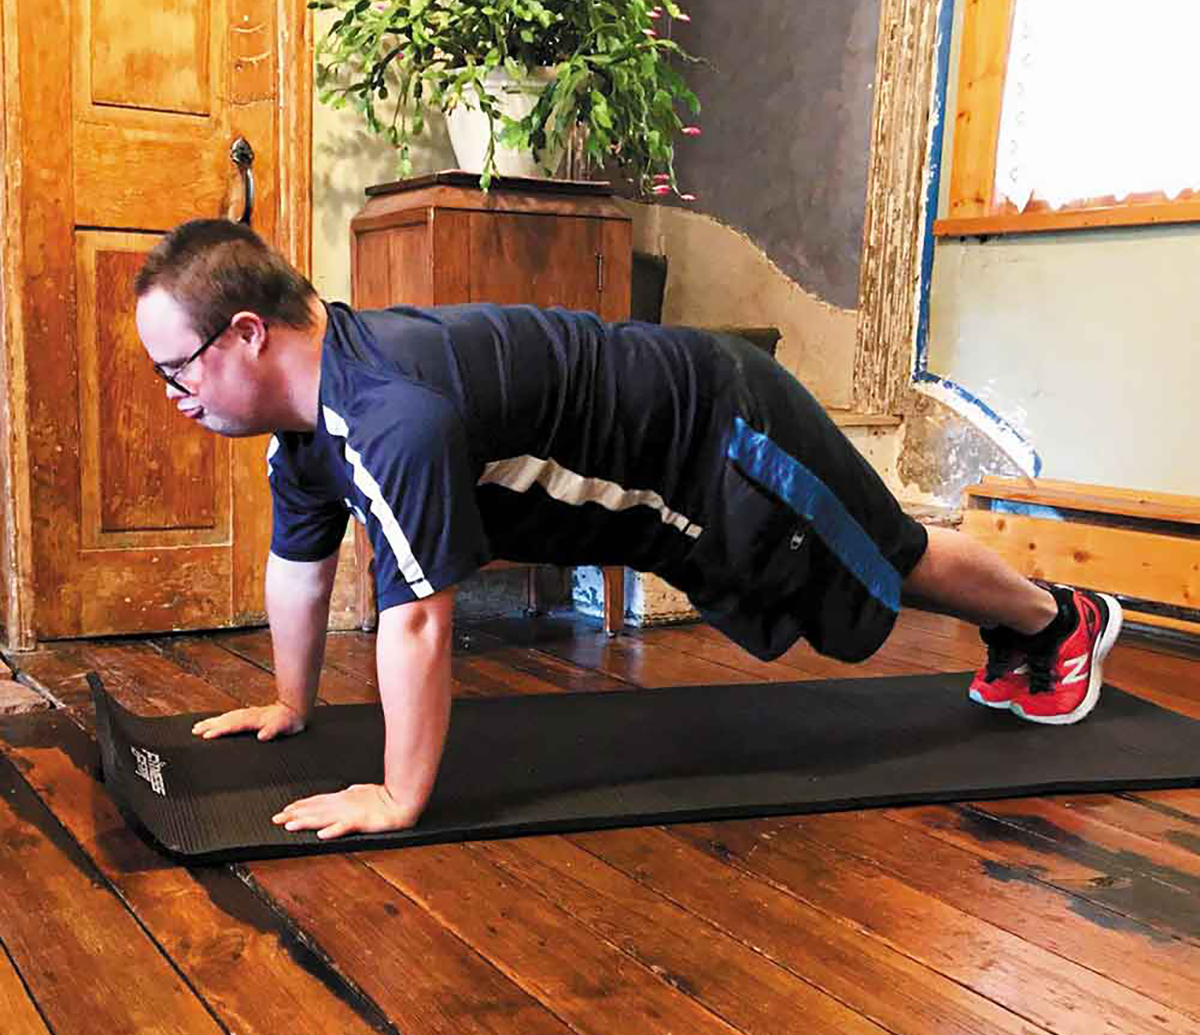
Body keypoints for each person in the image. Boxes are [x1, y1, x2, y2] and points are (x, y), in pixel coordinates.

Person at [133, 219, 1122, 840]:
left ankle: (1054, 621)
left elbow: (422, 621)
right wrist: (291, 706)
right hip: (662, 472)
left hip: (719, 425)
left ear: (249, 335)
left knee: (883, 558)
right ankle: (1035, 625)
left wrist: (396, 798)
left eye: (177, 370)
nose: (173, 397)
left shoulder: (387, 412)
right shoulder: (306, 430)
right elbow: (298, 569)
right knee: (862, 566)